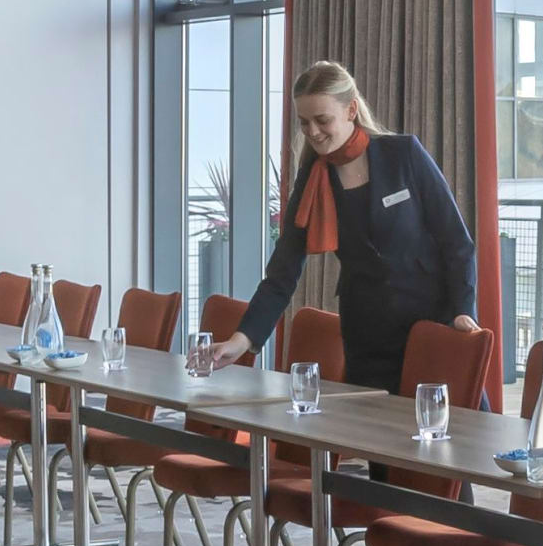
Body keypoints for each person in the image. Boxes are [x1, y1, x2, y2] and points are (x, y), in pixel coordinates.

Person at [202, 61, 477, 396]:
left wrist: (462, 310)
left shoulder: (403, 155)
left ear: (351, 110)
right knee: (370, 428)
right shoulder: (313, 179)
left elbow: (457, 243)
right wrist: (241, 340)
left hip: (432, 326)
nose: (313, 132)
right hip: (368, 338)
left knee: (447, 424)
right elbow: (282, 271)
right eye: (304, 122)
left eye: (322, 120)